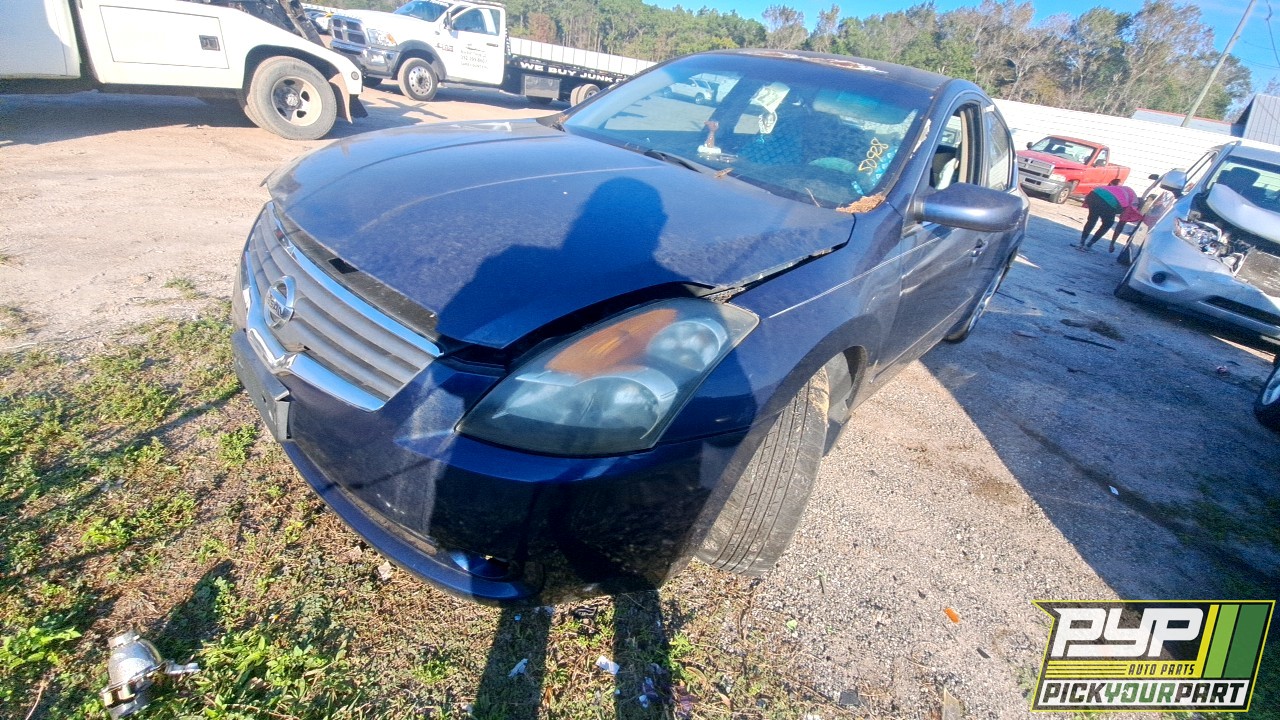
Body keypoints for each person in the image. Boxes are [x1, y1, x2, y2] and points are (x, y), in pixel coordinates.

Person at [1078, 179, 1139, 252]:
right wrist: (1112, 243)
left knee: (1092, 220)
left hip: (1094, 194)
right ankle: (1089, 245)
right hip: (1109, 201)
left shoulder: (1126, 190)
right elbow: (1120, 226)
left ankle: (1081, 243)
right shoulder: (1132, 206)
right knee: (1108, 224)